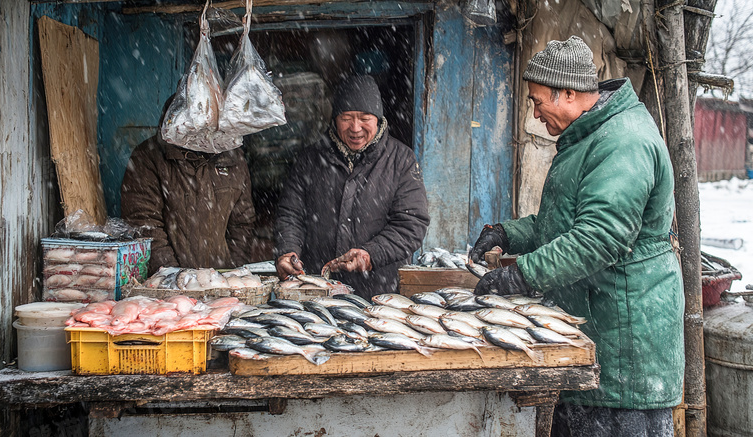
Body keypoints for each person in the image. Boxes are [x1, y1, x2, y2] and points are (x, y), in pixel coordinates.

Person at [469, 36, 684, 437]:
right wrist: (507, 234)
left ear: (568, 93)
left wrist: (522, 275)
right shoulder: (592, 134)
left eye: (537, 102)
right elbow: (565, 221)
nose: (534, 115)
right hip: (595, 333)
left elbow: (600, 236)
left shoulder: (623, 141)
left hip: (624, 350)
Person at [273, 75, 430, 300]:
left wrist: (370, 254)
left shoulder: (401, 160)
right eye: (346, 118)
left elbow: (411, 224)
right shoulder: (311, 159)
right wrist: (288, 251)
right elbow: (291, 215)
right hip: (317, 291)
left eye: (364, 118)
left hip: (377, 294)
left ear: (378, 118)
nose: (355, 128)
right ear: (335, 119)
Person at [121, 97, 257, 275]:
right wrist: (175, 278)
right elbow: (144, 223)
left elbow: (242, 224)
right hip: (166, 288)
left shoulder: (234, 159)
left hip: (219, 285)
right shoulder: (149, 156)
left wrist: (228, 275)